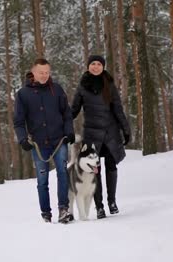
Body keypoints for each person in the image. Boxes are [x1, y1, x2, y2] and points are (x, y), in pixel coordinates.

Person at [13, 58, 75, 223]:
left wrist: (69, 132)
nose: (44, 75)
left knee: (62, 173)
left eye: (47, 72)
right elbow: (18, 122)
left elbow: (67, 114)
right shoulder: (23, 94)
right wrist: (22, 139)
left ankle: (63, 208)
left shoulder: (57, 89)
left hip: (59, 140)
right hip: (39, 144)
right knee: (42, 180)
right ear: (33, 73)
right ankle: (46, 213)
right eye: (41, 72)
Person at [71, 55, 131, 219]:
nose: (96, 67)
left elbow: (118, 108)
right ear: (88, 66)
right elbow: (74, 109)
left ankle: (112, 202)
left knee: (111, 167)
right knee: (94, 170)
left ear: (103, 67)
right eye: (93, 64)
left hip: (110, 132)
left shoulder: (109, 84)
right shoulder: (83, 85)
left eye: (99, 64)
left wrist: (126, 130)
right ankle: (99, 207)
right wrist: (64, 123)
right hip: (91, 134)